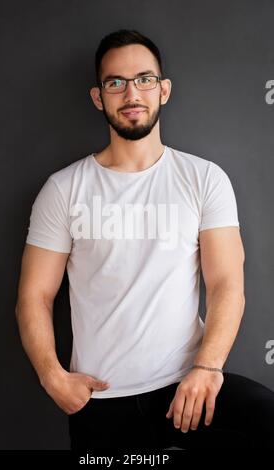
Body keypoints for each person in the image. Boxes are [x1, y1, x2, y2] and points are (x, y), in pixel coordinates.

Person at [15, 29, 274, 451]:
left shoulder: (204, 178)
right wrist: (52, 376)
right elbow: (34, 296)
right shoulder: (63, 189)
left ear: (163, 90)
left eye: (144, 79)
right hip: (100, 401)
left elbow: (227, 283)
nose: (130, 92)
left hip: (188, 389)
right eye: (115, 82)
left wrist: (208, 368)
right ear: (99, 97)